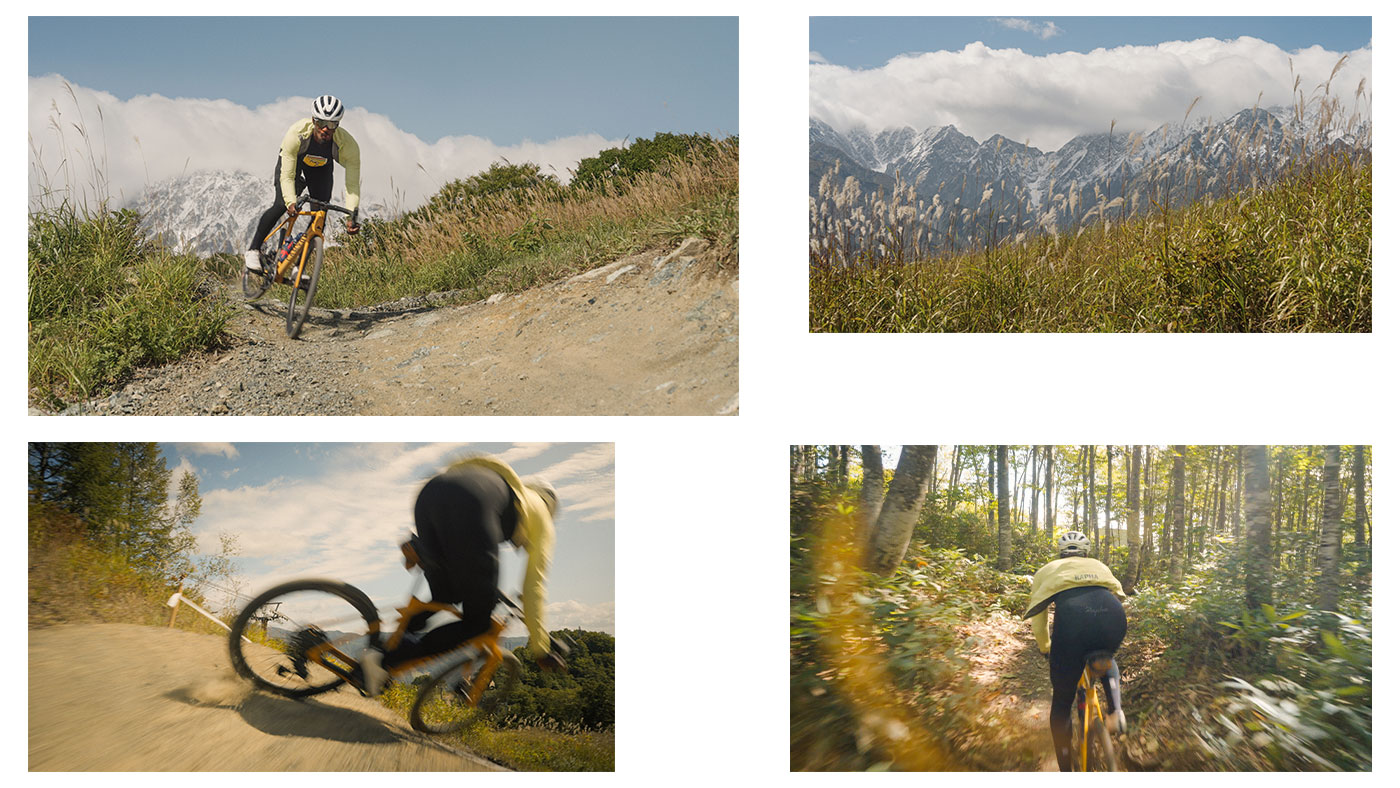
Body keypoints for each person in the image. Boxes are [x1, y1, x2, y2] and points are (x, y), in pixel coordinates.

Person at [356, 454, 563, 697]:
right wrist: (541, 648)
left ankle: (379, 653)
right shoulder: (542, 518)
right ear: (549, 506)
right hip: (471, 510)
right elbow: (534, 586)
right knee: (478, 621)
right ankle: (384, 664)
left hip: (429, 494)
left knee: (445, 594)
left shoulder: (504, 484)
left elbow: (462, 467)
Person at [1023, 530, 1128, 772]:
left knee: (1061, 703)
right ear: (1086, 553)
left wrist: (1045, 647)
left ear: (1060, 554)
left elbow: (1038, 619)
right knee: (1105, 655)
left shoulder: (1047, 570)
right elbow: (1117, 595)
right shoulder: (1098, 565)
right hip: (1112, 617)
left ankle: (1065, 767)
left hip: (1072, 624)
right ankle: (1116, 711)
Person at [245, 94, 361, 279]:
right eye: (321, 122)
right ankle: (253, 249)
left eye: (332, 124)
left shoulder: (348, 145)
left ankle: (298, 267)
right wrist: (291, 201)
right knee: (281, 204)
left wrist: (351, 215)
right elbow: (288, 175)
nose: (325, 129)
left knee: (320, 215)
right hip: (294, 165)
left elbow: (352, 185)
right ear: (313, 120)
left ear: (337, 125)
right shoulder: (296, 134)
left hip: (321, 169)